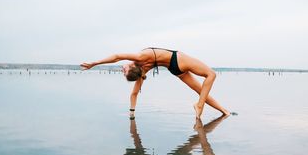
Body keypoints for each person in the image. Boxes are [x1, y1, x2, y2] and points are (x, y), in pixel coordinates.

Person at [80, 47, 230, 119]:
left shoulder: (142, 71)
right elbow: (117, 56)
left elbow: (134, 93)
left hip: (174, 70)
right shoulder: (140, 58)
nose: (122, 68)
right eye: (124, 70)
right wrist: (95, 63)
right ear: (131, 67)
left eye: (123, 71)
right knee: (211, 74)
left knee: (201, 91)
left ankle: (224, 111)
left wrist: (132, 113)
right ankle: (199, 106)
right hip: (177, 60)